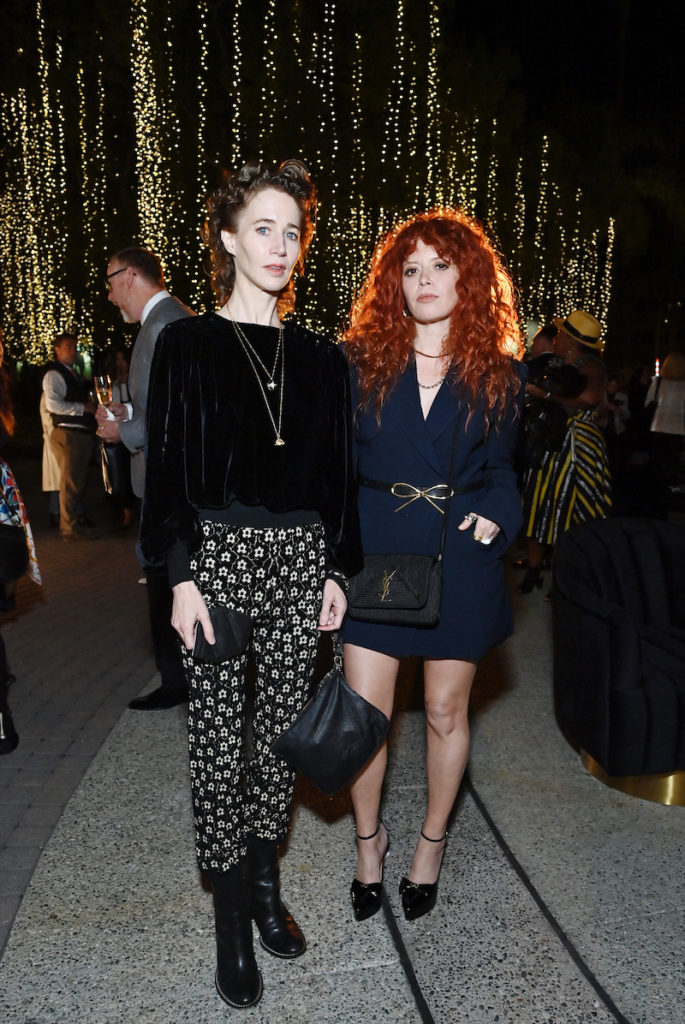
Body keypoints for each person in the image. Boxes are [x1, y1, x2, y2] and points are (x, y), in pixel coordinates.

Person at [139, 159, 362, 1009]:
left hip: (302, 562)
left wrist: (339, 566)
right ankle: (231, 914)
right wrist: (179, 573)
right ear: (228, 239)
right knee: (213, 742)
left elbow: (338, 477)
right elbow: (165, 478)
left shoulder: (320, 359)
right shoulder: (189, 345)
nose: (279, 245)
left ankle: (265, 885)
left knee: (278, 739)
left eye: (292, 231)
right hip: (219, 561)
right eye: (261, 229)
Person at [341, 208, 525, 923]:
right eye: (409, 268)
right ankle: (368, 845)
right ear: (393, 282)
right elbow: (333, 472)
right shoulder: (358, 364)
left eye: (438, 266)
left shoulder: (500, 375)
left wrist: (499, 518)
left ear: (467, 278)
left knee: (446, 711)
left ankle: (430, 844)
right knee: (364, 719)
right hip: (375, 553)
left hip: (460, 557)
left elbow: (505, 473)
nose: (422, 280)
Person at [97, 247, 194, 710]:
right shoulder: (163, 321)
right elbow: (160, 403)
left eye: (112, 284)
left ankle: (179, 684)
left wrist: (123, 429)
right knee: (161, 581)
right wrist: (128, 411)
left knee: (166, 582)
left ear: (130, 275)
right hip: (161, 480)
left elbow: (180, 416)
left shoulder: (165, 323)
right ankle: (177, 680)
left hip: (167, 484)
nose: (112, 296)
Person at [519, 310, 612, 594]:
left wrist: (545, 395)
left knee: (570, 512)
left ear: (571, 341)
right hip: (550, 443)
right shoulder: (557, 364)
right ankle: (535, 570)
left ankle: (566, 578)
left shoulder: (592, 367)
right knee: (537, 503)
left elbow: (590, 398)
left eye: (560, 335)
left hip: (577, 448)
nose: (555, 339)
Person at [42, 333, 97, 540]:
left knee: (77, 481)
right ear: (57, 349)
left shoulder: (73, 374)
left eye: (74, 347)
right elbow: (53, 405)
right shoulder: (54, 374)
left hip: (78, 432)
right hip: (67, 433)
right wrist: (84, 407)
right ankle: (68, 527)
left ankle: (72, 523)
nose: (73, 350)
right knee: (70, 482)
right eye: (68, 347)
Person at [645, 352, 685, 486]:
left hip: (659, 426)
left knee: (657, 460)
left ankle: (655, 487)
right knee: (672, 462)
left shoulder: (658, 382)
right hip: (679, 428)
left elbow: (648, 402)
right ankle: (671, 488)